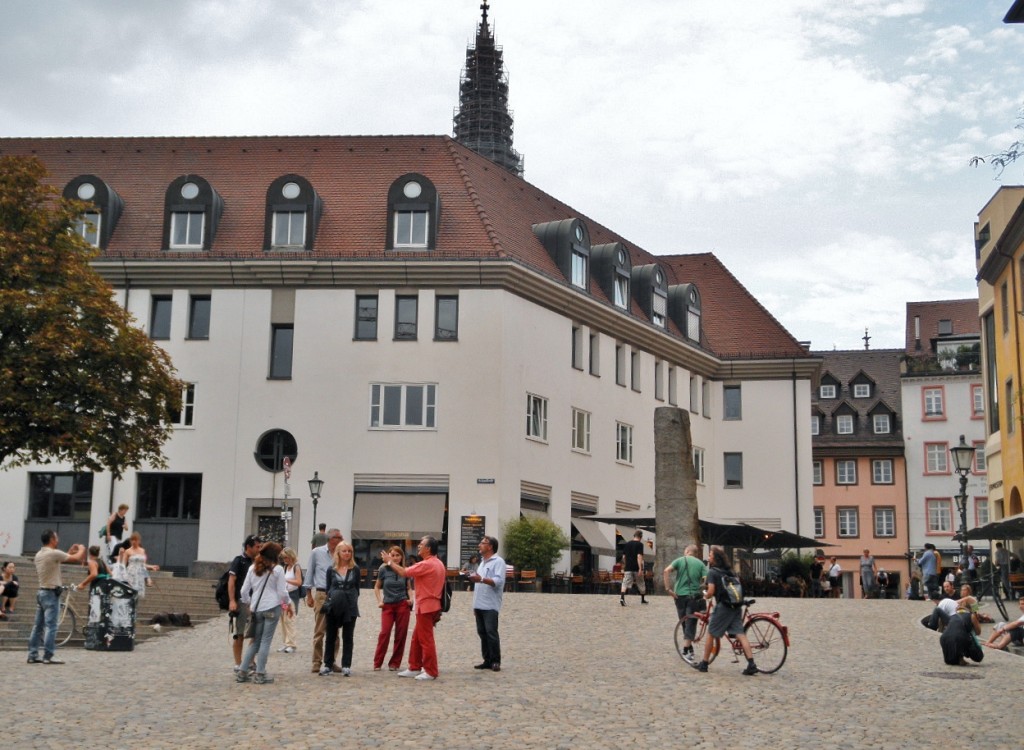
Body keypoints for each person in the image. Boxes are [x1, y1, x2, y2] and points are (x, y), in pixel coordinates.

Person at [386, 535, 446, 681]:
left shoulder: (427, 564)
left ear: (428, 548)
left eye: (421, 544)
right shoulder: (438, 563)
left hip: (426, 605)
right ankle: (414, 666)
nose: (418, 546)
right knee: (417, 638)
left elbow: (404, 572)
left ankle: (431, 671)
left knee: (426, 640)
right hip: (431, 605)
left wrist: (389, 562)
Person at [694, 546, 757, 676]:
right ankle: (751, 664)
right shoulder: (730, 571)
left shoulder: (712, 572)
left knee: (711, 633)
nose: (709, 557)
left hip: (724, 607)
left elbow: (711, 592)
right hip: (736, 606)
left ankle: (704, 664)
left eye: (710, 555)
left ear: (715, 558)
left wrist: (704, 595)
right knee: (740, 634)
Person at [27, 530, 86, 664]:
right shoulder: (53, 553)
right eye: (56, 537)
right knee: (51, 626)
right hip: (51, 594)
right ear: (52, 539)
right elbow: (76, 558)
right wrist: (82, 549)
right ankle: (49, 655)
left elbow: (59, 558)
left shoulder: (40, 554)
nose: (58, 539)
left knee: (37, 626)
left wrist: (69, 552)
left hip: (41, 592)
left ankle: (33, 654)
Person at [236, 542, 291, 684]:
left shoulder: (252, 568)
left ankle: (242, 671)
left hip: (257, 608)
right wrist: (287, 604)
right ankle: (260, 673)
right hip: (272, 607)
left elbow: (243, 591)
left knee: (255, 641)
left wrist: (249, 603)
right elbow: (282, 592)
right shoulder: (278, 570)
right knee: (266, 641)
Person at [303, 528, 343, 673]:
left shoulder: (342, 553)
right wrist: (308, 595)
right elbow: (310, 573)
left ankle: (331, 661)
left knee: (335, 632)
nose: (340, 539)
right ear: (330, 538)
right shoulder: (317, 553)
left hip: (338, 594)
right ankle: (316, 661)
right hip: (321, 593)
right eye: (338, 537)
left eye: (341, 537)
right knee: (319, 631)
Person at [320, 541, 361, 676]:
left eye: (349, 551)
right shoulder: (331, 569)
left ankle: (346, 665)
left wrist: (351, 599)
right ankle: (328, 664)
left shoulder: (355, 569)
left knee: (348, 636)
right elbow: (328, 588)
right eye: (344, 551)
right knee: (331, 635)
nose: (347, 553)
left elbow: (357, 588)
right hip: (334, 605)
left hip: (350, 606)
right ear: (338, 552)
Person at [663, 544, 707, 664]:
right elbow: (705, 580)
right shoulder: (701, 564)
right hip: (694, 597)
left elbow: (666, 571)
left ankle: (688, 650)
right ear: (695, 553)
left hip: (679, 596)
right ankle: (687, 650)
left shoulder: (680, 560)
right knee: (691, 623)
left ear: (687, 551)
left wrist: (668, 589)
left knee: (683, 622)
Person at [468, 534, 506, 672]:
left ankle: (496, 660)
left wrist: (481, 579)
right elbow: (479, 583)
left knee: (491, 632)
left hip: (490, 604)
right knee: (482, 632)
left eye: (483, 543)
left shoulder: (498, 561)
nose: (479, 545)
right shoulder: (482, 562)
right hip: (479, 603)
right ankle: (487, 659)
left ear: (490, 547)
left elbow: (498, 581)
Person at [373, 545, 413, 671]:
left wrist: (411, 599)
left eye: (397, 555)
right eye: (393, 555)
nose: (395, 558)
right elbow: (376, 587)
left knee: (401, 635)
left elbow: (408, 587)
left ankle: (395, 663)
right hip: (388, 605)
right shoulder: (384, 570)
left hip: (402, 605)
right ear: (388, 556)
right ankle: (377, 662)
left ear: (402, 557)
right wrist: (380, 601)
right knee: (384, 633)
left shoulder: (405, 570)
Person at [229, 534, 262, 673]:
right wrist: (232, 600)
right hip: (242, 602)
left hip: (256, 602)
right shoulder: (239, 561)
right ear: (248, 547)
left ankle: (250, 661)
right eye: (257, 546)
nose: (259, 549)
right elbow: (232, 581)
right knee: (240, 633)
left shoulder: (258, 562)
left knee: (255, 633)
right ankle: (238, 663)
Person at [118, 532, 159, 598]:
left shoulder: (142, 550)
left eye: (136, 540)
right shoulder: (128, 551)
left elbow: (143, 565)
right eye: (132, 540)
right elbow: (123, 565)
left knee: (137, 595)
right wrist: (124, 576)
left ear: (139, 541)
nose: (134, 542)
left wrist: (151, 567)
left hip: (140, 575)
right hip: (131, 573)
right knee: (130, 594)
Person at [277, 547, 302, 654]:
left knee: (290, 619)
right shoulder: (286, 567)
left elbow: (298, 582)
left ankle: (292, 643)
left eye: (286, 557)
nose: (284, 560)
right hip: (284, 596)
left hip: (292, 595)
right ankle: (286, 642)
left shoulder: (296, 567)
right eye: (283, 558)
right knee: (283, 619)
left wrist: (286, 580)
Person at [620, 530, 648, 606]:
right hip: (636, 568)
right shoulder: (640, 545)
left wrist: (626, 564)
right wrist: (640, 568)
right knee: (641, 583)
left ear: (634, 536)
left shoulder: (627, 544)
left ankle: (622, 598)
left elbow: (624, 556)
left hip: (628, 567)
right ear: (641, 537)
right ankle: (642, 599)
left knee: (625, 583)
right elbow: (639, 556)